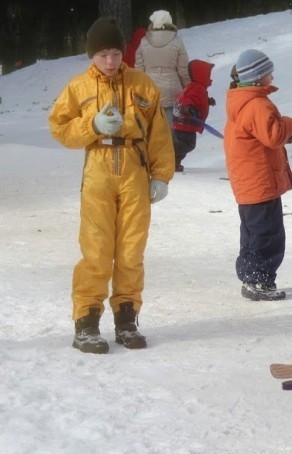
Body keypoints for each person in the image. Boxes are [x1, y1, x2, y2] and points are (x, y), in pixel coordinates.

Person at [48, 17, 175, 354]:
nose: (109, 61)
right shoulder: (78, 88)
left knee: (132, 250)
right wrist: (91, 124)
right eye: (103, 54)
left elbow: (159, 135)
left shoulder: (142, 85)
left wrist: (161, 175)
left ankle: (127, 319)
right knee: (96, 250)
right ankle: (87, 322)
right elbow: (60, 128)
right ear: (92, 54)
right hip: (98, 172)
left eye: (115, 53)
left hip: (134, 170)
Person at [224, 49, 292, 301]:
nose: (272, 76)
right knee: (268, 234)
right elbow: (274, 135)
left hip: (248, 185)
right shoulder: (257, 104)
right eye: (268, 72)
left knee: (252, 233)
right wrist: (291, 124)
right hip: (261, 183)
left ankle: (251, 277)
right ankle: (259, 280)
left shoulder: (240, 102)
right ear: (258, 77)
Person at [135, 9, 190, 170]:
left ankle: (149, 160)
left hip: (149, 89)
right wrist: (187, 88)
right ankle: (172, 161)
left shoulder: (144, 41)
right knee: (171, 128)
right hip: (172, 89)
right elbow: (183, 69)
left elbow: (138, 69)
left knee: (150, 127)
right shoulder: (177, 41)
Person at [171, 59, 216, 171]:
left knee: (186, 144)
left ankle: (174, 163)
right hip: (185, 124)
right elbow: (186, 98)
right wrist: (188, 107)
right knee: (188, 145)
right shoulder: (197, 88)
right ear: (202, 75)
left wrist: (207, 101)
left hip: (184, 124)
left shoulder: (195, 86)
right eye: (208, 74)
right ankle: (168, 154)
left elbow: (196, 100)